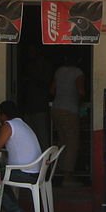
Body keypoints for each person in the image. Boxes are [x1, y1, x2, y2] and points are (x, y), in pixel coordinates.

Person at [0, 100, 41, 212]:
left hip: (25, 173)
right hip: (36, 172)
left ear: (3, 115)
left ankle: (13, 210)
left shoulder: (8, 125)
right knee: (0, 174)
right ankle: (14, 208)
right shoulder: (23, 124)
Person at [50, 55, 85, 184]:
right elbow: (81, 91)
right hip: (70, 110)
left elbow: (52, 90)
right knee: (72, 143)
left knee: (62, 141)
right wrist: (79, 103)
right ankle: (67, 176)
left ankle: (58, 169)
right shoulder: (78, 72)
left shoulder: (59, 71)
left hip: (56, 108)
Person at [21, 45, 54, 150]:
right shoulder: (29, 65)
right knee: (29, 136)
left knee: (42, 137)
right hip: (29, 106)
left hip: (40, 106)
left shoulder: (44, 66)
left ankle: (45, 162)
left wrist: (33, 78)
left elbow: (46, 82)